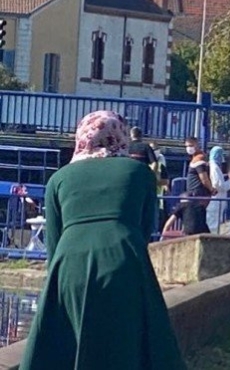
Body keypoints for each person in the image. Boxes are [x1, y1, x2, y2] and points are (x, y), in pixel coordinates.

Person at [20, 110, 185, 370]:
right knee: (124, 344)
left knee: (68, 343)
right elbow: (145, 229)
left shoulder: (58, 179)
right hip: (123, 258)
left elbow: (53, 243)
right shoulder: (140, 173)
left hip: (68, 265)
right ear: (119, 135)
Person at [184, 137, 216, 233]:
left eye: (191, 145)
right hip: (196, 194)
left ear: (197, 145)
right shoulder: (196, 158)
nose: (188, 148)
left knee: (198, 221)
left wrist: (211, 189)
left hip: (198, 195)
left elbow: (204, 178)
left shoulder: (199, 159)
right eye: (186, 146)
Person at [206, 146, 230, 233]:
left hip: (218, 199)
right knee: (213, 222)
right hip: (216, 199)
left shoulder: (215, 166)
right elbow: (219, 185)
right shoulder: (214, 167)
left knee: (216, 221)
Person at [150, 142, 170, 230]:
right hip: (145, 200)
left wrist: (155, 182)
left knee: (156, 225)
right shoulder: (143, 163)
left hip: (158, 200)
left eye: (156, 149)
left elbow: (166, 180)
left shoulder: (161, 163)